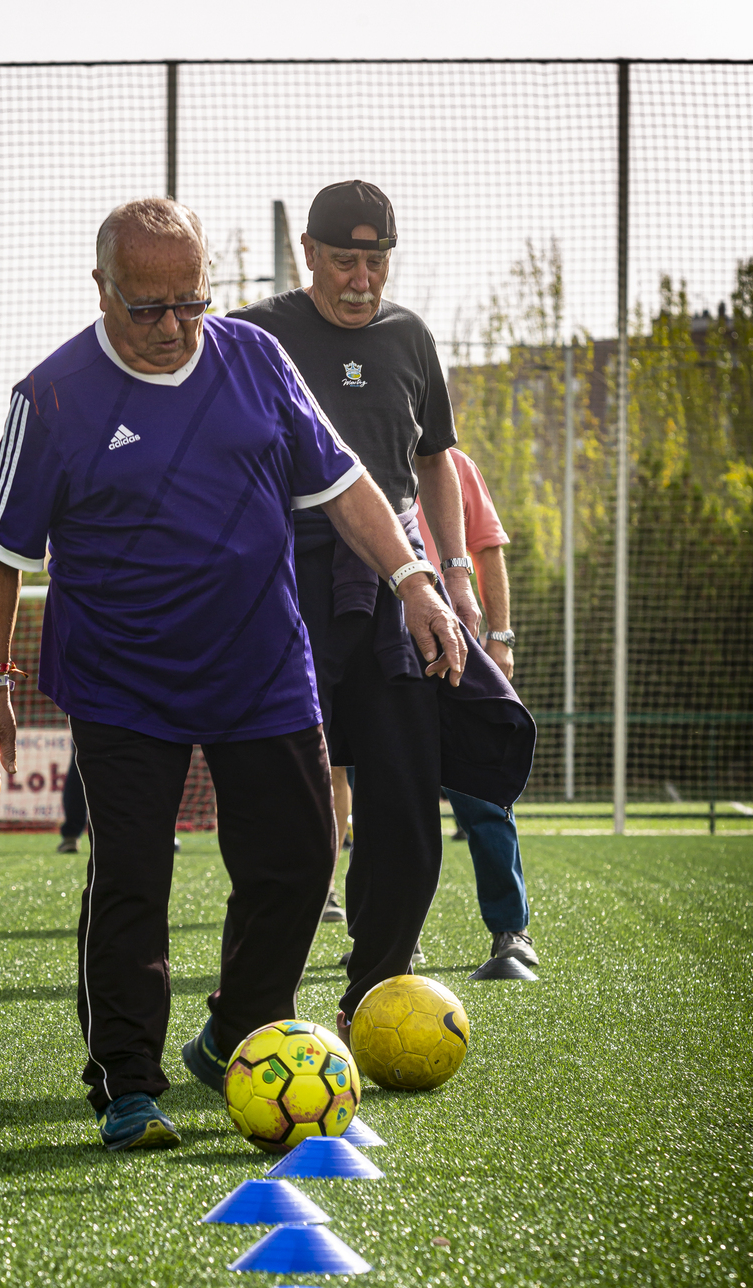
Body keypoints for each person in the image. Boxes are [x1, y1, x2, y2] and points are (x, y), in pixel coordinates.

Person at [0, 197, 468, 1152]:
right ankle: (127, 1083)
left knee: (299, 859)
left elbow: (347, 482)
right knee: (132, 879)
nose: (170, 328)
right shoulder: (55, 397)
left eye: (189, 303)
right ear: (102, 289)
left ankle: (242, 1033)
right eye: (144, 307)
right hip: (124, 680)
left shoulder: (255, 360)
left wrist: (415, 580)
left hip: (263, 663)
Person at [231, 180, 535, 1036]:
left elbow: (436, 460)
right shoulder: (255, 335)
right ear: (310, 257)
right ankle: (253, 1013)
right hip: (286, 583)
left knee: (405, 803)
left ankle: (373, 993)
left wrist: (454, 576)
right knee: (289, 807)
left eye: (376, 260)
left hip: (399, 584)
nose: (362, 279)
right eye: (344, 260)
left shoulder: (410, 337)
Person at [414, 449, 538, 968]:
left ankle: (511, 930)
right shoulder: (356, 450)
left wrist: (501, 638)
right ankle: (387, 936)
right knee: (388, 800)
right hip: (381, 641)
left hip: (461, 647)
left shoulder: (453, 465)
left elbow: (486, 549)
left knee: (482, 793)